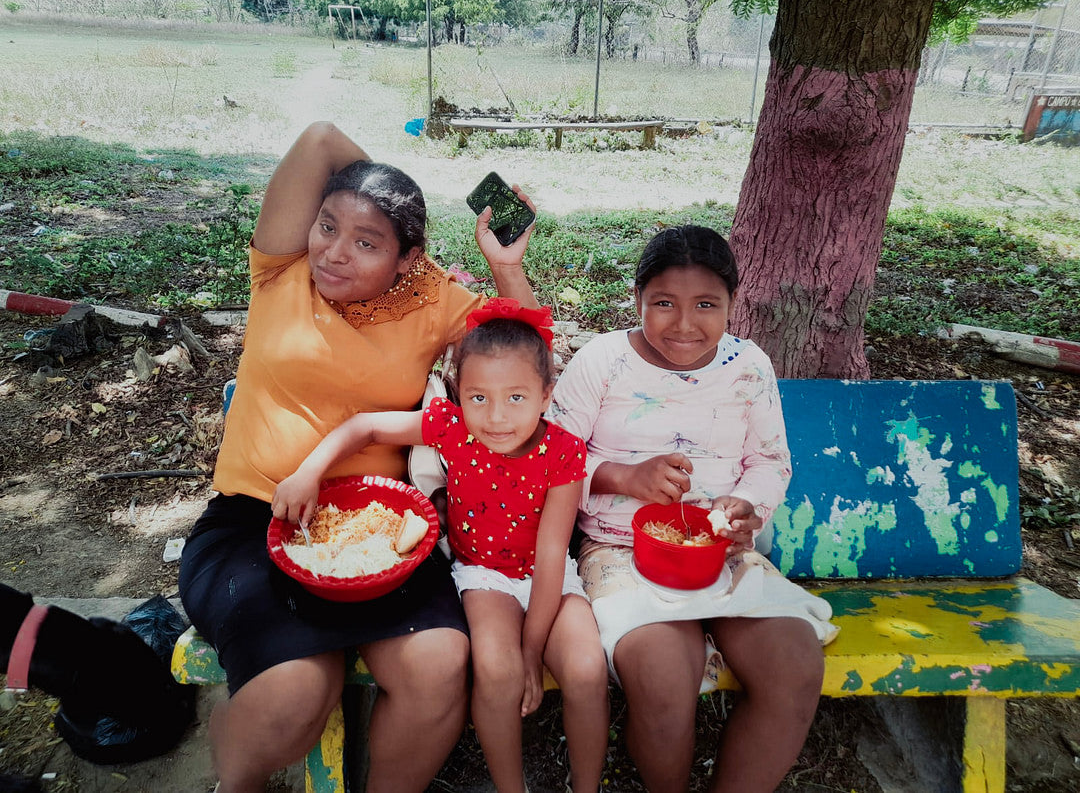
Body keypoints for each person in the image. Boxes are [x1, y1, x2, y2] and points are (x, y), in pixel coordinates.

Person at [178, 121, 540, 793]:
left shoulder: (431, 300)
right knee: (294, 699)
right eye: (328, 226)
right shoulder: (281, 270)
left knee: (438, 665)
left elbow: (525, 367)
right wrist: (378, 199)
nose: (335, 253)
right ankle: (236, 772)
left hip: (379, 535)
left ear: (409, 259)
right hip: (254, 525)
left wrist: (507, 266)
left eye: (367, 242)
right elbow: (319, 140)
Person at [273, 298, 610, 793]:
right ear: (459, 394)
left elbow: (552, 553)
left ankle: (587, 787)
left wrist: (534, 650)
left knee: (585, 669)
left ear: (546, 395)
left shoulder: (563, 452)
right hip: (485, 577)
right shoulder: (451, 428)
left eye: (516, 398)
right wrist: (309, 471)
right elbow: (365, 426)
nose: (495, 417)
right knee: (497, 671)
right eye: (478, 397)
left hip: (548, 576)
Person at [547, 225, 839, 793]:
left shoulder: (749, 366)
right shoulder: (603, 361)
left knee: (795, 667)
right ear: (637, 301)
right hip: (620, 552)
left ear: (733, 303)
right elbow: (548, 461)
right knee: (661, 680)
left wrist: (746, 504)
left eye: (707, 304)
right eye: (663, 304)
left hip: (722, 555)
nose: (684, 324)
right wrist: (624, 476)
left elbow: (770, 461)